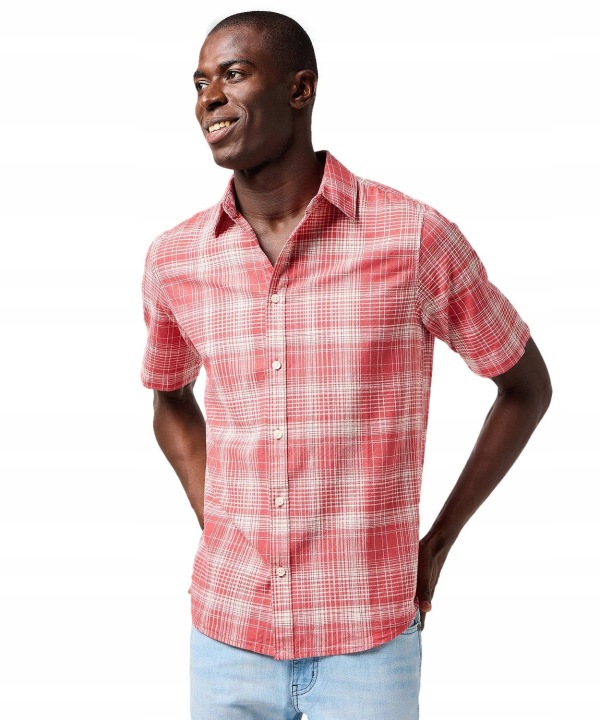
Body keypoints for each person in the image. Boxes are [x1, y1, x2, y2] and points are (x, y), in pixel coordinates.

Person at [141, 10, 552, 720]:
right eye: (200, 82)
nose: (209, 97)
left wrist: (437, 544)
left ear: (300, 89)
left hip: (368, 646)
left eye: (233, 74)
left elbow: (525, 386)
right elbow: (169, 398)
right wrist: (221, 516)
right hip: (226, 638)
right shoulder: (176, 258)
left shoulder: (412, 238)